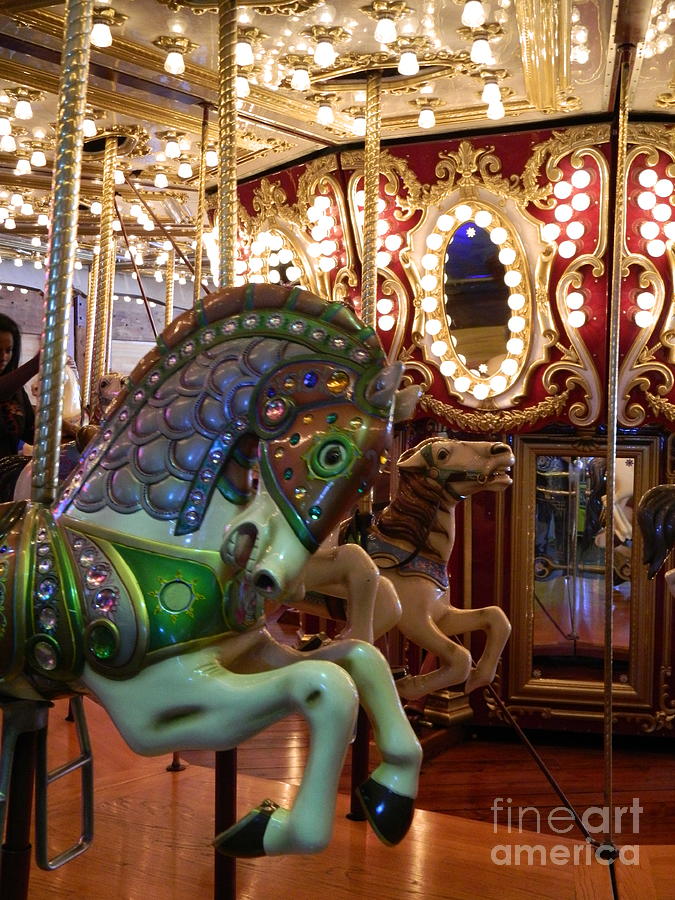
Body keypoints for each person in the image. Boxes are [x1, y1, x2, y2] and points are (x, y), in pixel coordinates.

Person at [0, 312, 39, 459]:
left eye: (8, 350)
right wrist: (37, 363)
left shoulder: (17, 392)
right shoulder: (9, 387)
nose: (3, 357)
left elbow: (30, 432)